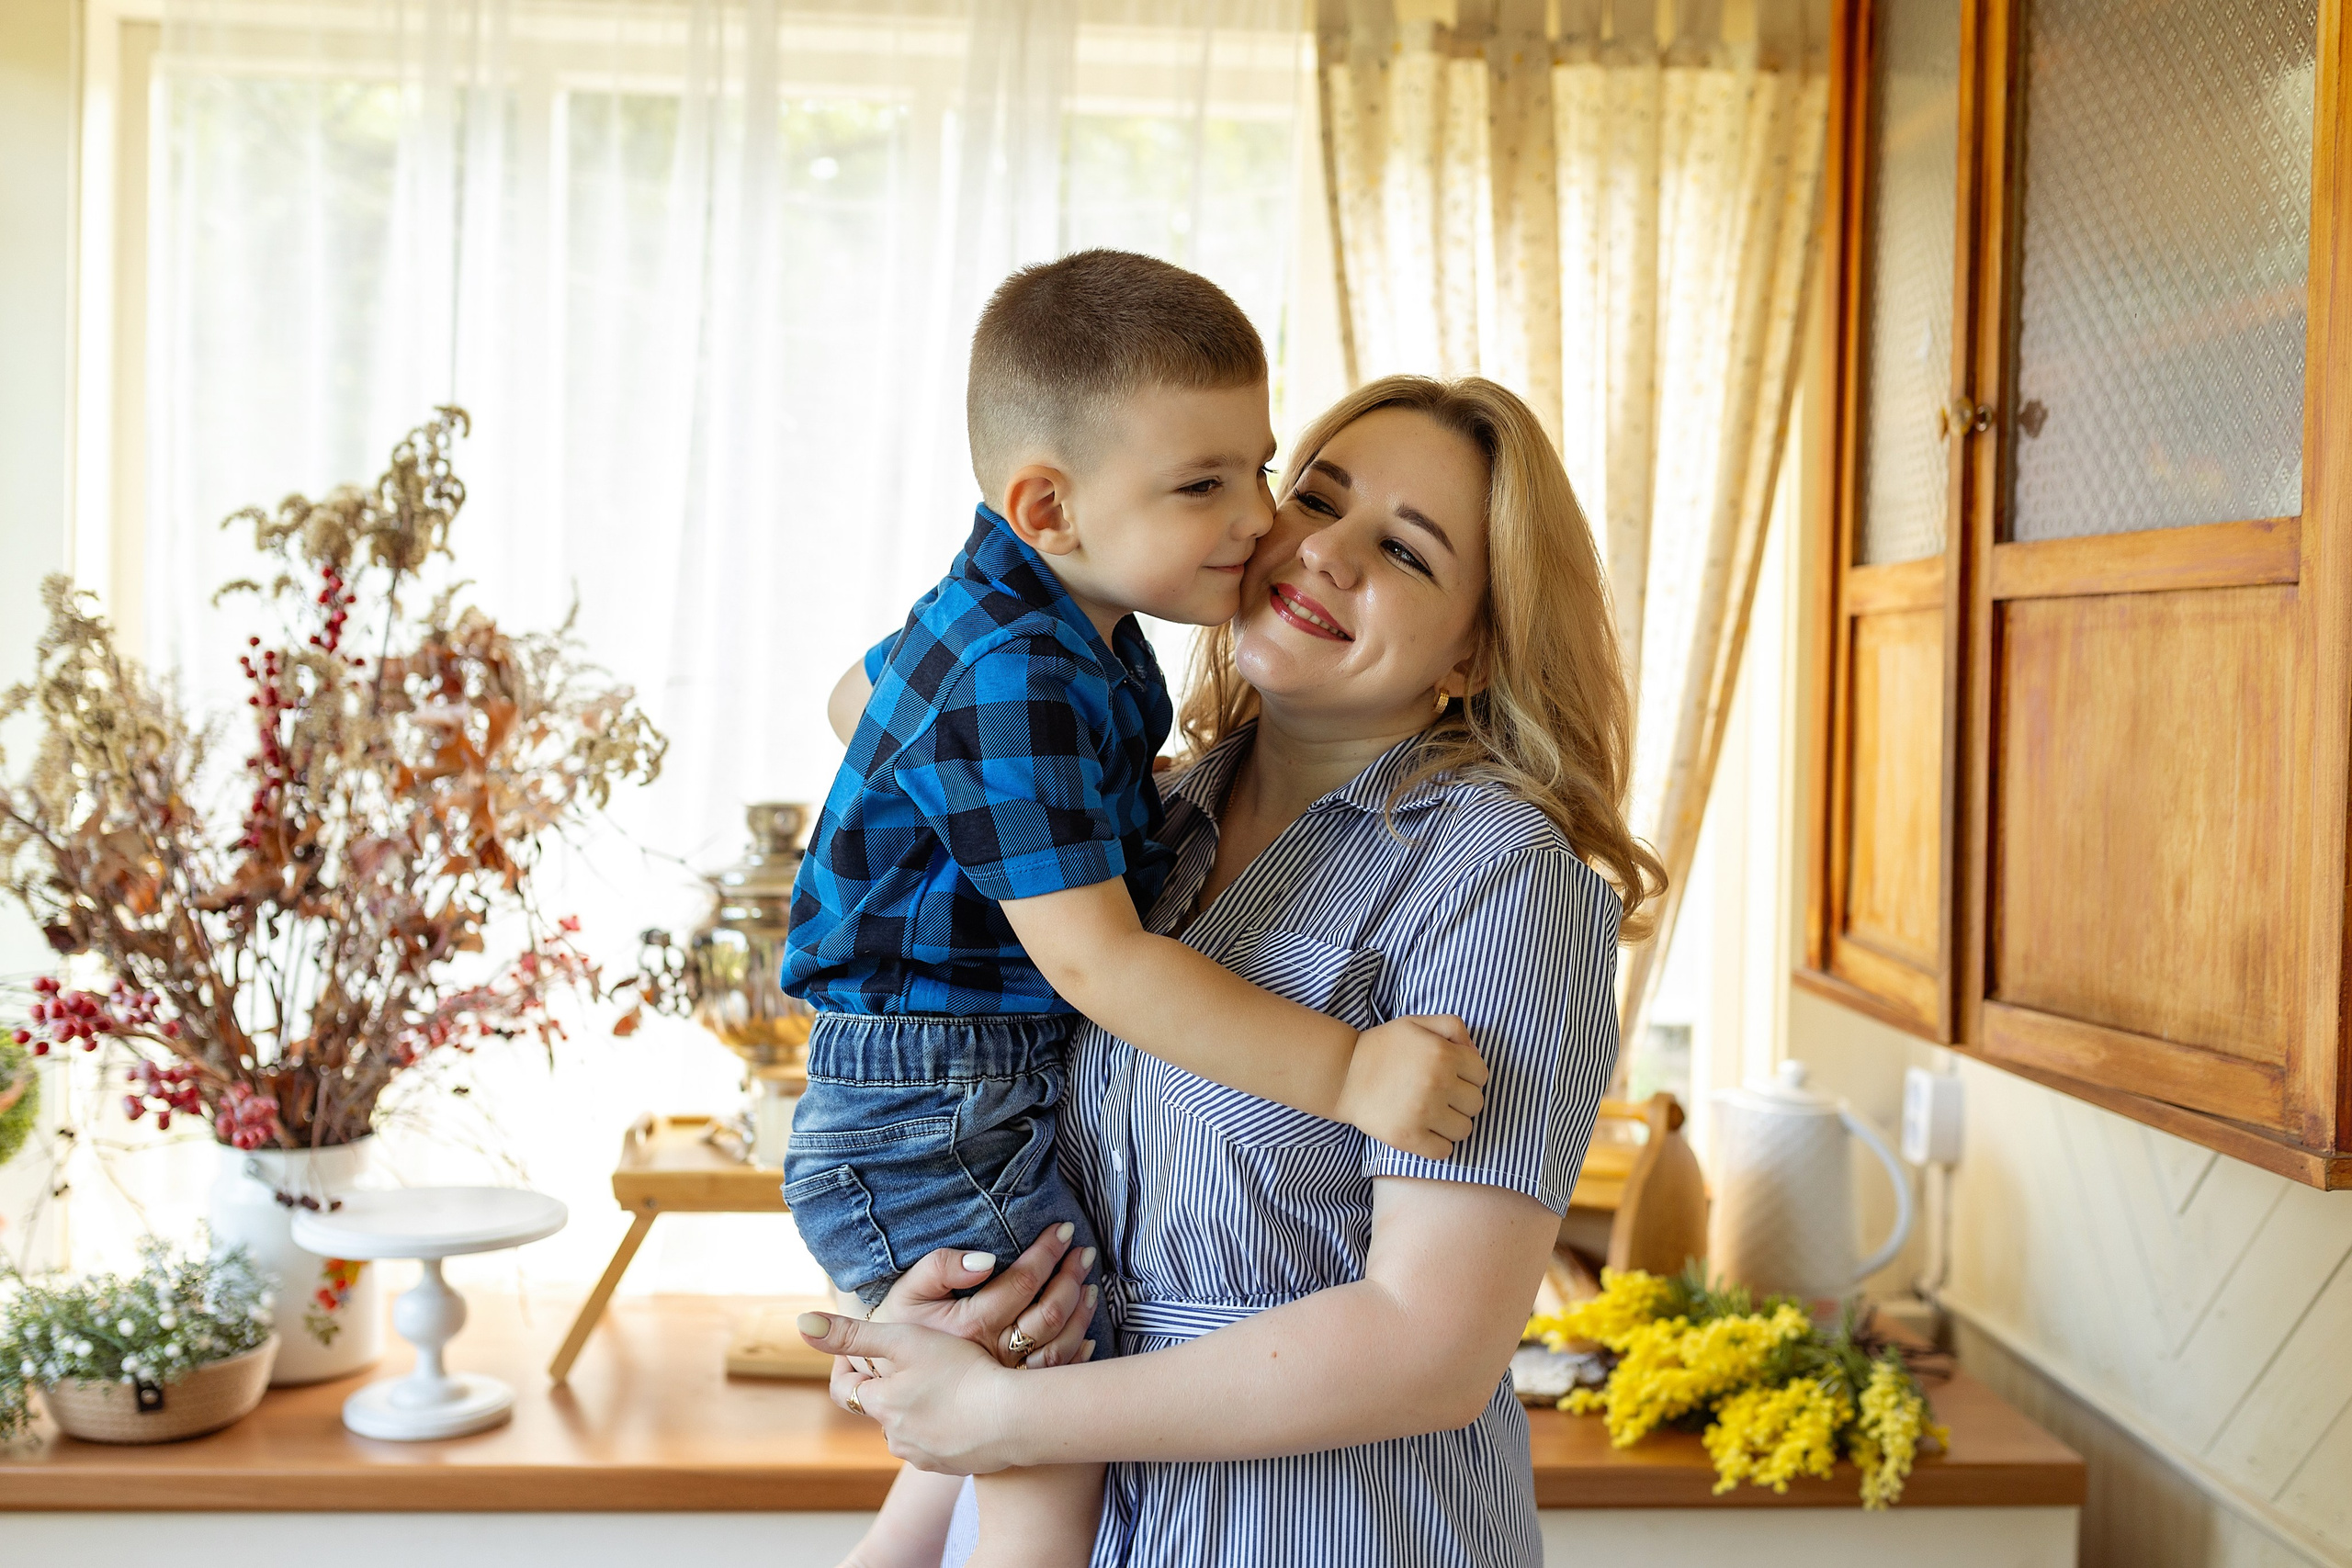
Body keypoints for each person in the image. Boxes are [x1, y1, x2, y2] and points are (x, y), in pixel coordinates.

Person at [800, 374, 1665, 1568]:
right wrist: (938, 1376)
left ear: (1475, 644)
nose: (1325, 553)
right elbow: (1025, 1220)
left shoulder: (1505, 877)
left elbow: (1431, 1349)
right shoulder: (1124, 829)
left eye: (1407, 553)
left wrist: (1011, 1414)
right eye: (1314, 498)